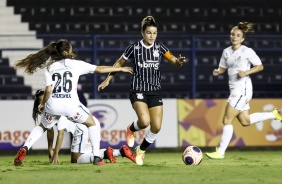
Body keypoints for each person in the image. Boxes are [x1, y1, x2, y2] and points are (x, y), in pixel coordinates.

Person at [13, 39, 133, 165]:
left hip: (53, 105)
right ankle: (97, 157)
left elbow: (48, 89)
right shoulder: (75, 64)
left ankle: (25, 147)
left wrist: (43, 104)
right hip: (71, 106)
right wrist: (120, 69)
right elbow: (99, 69)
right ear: (66, 52)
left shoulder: (50, 68)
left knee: (42, 127)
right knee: (91, 123)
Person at [98, 16, 186, 165]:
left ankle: (141, 150)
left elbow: (175, 62)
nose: (152, 36)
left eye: (155, 33)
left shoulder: (161, 48)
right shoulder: (134, 48)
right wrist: (108, 79)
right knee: (145, 122)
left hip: (155, 90)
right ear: (143, 33)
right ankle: (131, 129)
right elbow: (119, 63)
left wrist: (179, 62)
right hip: (138, 89)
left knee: (156, 127)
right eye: (149, 33)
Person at [205, 22, 282, 159]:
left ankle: (220, 152)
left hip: (242, 90)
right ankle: (275, 114)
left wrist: (246, 72)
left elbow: (260, 66)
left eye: (238, 35)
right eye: (233, 34)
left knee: (227, 119)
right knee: (245, 121)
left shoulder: (247, 51)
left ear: (242, 39)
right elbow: (223, 68)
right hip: (234, 89)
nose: (234, 37)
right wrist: (218, 72)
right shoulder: (226, 51)